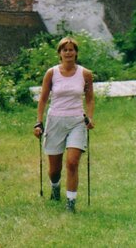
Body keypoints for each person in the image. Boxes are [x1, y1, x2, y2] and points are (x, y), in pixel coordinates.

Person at [34, 36, 95, 213]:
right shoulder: (51, 73)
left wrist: (89, 118)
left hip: (76, 121)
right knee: (55, 169)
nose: (68, 53)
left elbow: (90, 99)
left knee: (72, 162)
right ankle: (55, 187)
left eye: (71, 49)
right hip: (55, 121)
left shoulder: (85, 74)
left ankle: (71, 202)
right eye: (65, 50)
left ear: (76, 53)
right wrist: (38, 122)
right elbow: (43, 99)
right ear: (59, 53)